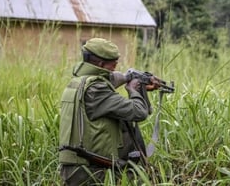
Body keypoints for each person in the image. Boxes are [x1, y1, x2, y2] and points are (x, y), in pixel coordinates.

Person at [59, 37, 158, 185]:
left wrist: (129, 77)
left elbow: (111, 79)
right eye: (113, 65)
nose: (115, 68)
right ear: (100, 64)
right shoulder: (97, 90)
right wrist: (133, 89)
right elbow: (139, 112)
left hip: (75, 168)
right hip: (90, 171)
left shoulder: (78, 83)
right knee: (146, 180)